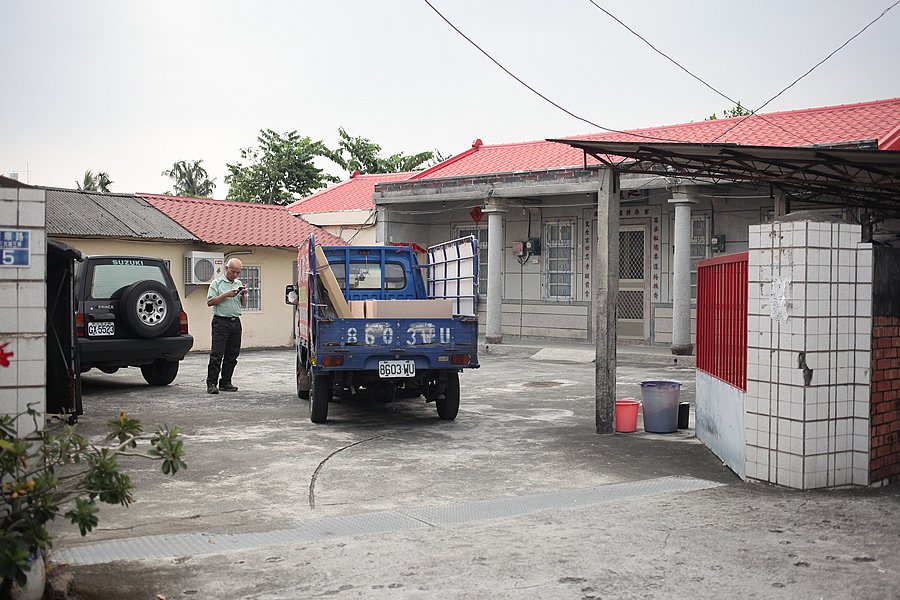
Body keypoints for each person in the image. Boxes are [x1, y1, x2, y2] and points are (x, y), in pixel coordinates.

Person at [206, 258, 248, 394]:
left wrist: (244, 295)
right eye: (232, 272)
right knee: (217, 354)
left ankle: (226, 381)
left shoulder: (238, 283)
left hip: (235, 321)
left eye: (238, 272)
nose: (235, 275)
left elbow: (243, 304)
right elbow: (210, 302)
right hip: (221, 322)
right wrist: (226, 295)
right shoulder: (216, 283)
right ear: (226, 268)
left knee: (232, 354)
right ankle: (211, 382)